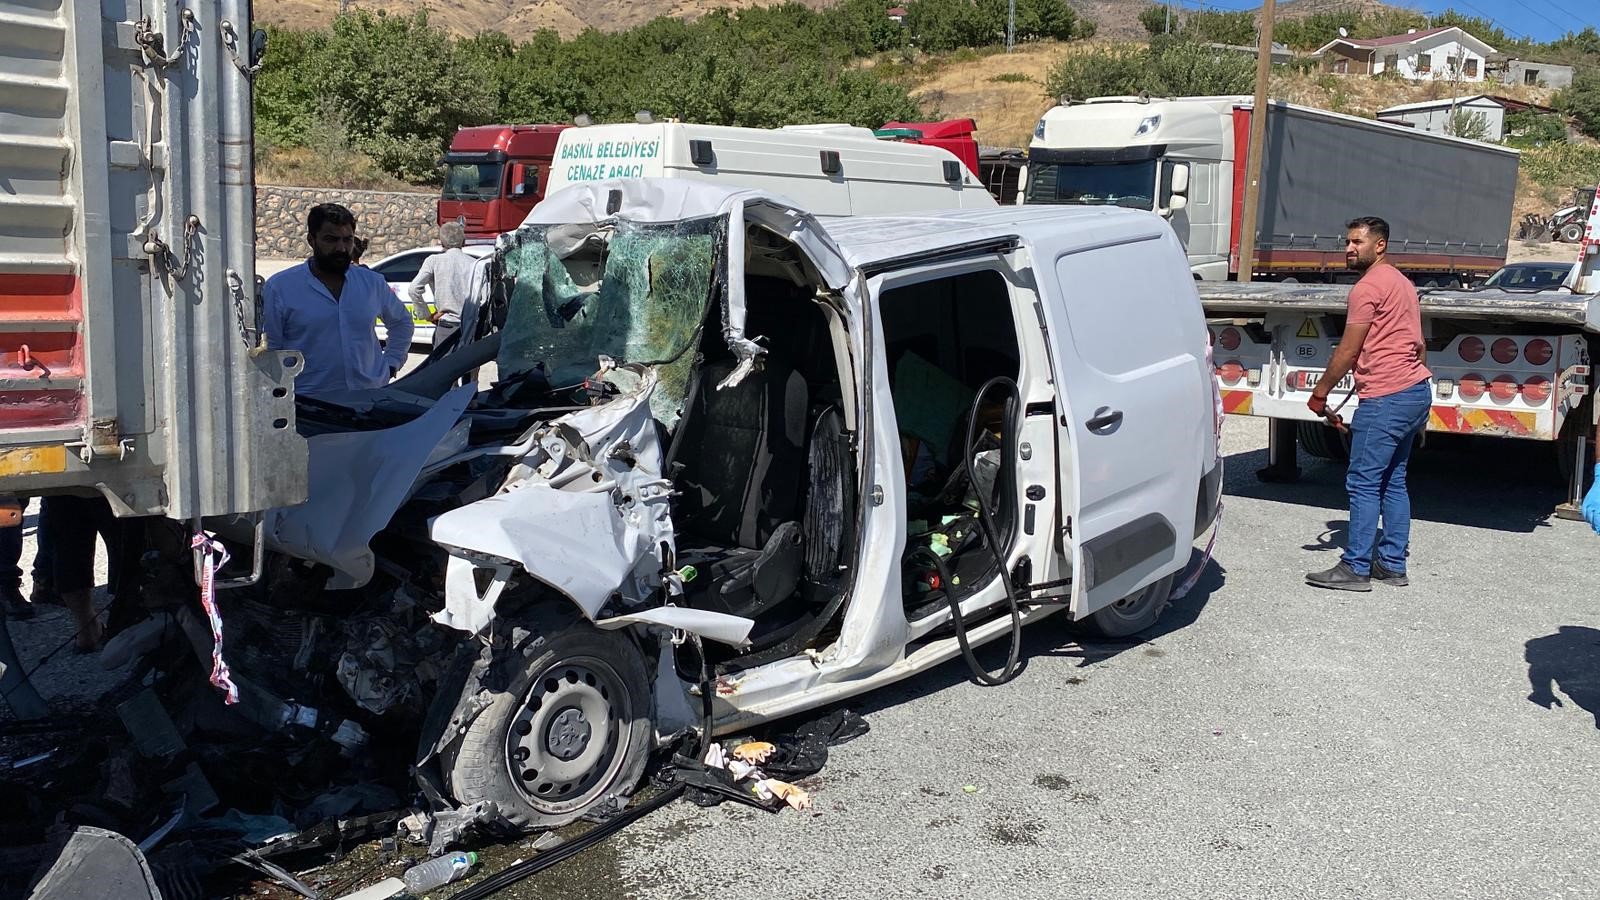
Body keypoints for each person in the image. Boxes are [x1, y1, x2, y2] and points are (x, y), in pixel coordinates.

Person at [1305, 216, 1432, 592]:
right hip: (1414, 391)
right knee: (1393, 480)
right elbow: (1420, 345)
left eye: (1357, 242)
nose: (1349, 248)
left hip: (1386, 398)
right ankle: (1392, 564)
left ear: (1380, 245)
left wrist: (1320, 393)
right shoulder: (1402, 283)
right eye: (1347, 241)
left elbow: (1348, 350)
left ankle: (1355, 566)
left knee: (1363, 482)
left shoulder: (1367, 288)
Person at [263, 203, 413, 396]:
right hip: (307, 401)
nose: (341, 248)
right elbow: (270, 350)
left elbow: (402, 322)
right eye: (331, 239)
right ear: (311, 240)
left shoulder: (371, 283)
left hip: (368, 398)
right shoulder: (281, 287)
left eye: (347, 239)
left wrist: (391, 364)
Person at [408, 222, 477, 349]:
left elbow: (413, 289)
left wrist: (427, 315)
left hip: (446, 327)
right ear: (463, 241)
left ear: (442, 242)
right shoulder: (474, 264)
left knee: (443, 361)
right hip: (471, 328)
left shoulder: (434, 261)